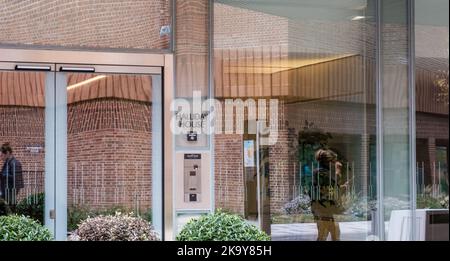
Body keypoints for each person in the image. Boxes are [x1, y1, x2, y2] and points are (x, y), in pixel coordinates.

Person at [310, 148, 347, 241]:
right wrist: (338, 171)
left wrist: (341, 187)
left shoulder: (321, 173)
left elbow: (328, 189)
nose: (335, 164)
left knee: (333, 234)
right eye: (334, 161)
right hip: (323, 209)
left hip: (325, 209)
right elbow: (332, 186)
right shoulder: (321, 173)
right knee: (325, 235)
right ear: (328, 162)